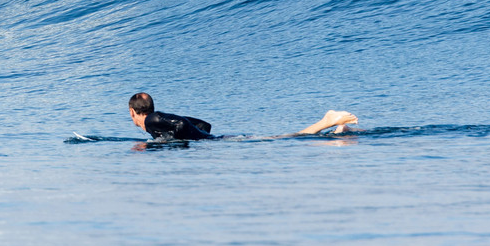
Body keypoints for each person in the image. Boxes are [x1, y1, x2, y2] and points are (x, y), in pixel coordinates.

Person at [128, 92, 357, 141]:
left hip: (221, 142)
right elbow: (202, 124)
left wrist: (177, 141)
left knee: (284, 138)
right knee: (281, 137)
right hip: (218, 140)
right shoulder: (158, 118)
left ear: (132, 112)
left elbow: (181, 125)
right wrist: (198, 139)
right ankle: (338, 132)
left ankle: (328, 120)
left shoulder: (150, 121)